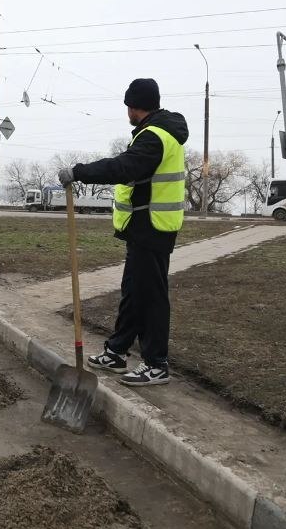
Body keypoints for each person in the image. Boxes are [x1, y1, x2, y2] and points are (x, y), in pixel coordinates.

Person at [57, 78, 188, 387]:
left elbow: (123, 168)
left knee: (152, 296)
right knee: (133, 292)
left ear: (134, 106)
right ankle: (117, 351)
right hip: (142, 227)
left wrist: (80, 172)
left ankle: (156, 363)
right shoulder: (155, 132)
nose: (127, 112)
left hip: (153, 227)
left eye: (128, 106)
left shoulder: (154, 137)